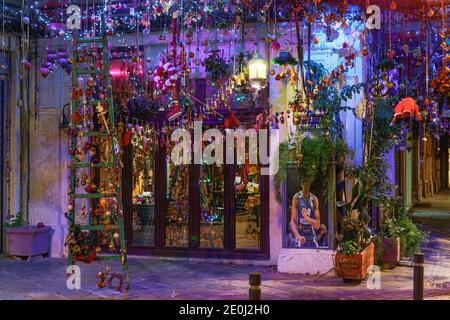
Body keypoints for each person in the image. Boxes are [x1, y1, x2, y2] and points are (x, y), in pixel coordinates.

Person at [289, 182, 321, 248]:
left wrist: (307, 218)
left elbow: (317, 225)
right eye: (303, 182)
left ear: (310, 183)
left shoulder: (314, 199)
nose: (305, 184)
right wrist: (298, 236)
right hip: (300, 238)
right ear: (301, 183)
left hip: (312, 239)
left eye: (307, 182)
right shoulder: (296, 197)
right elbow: (292, 222)